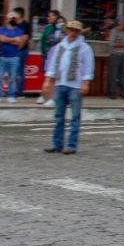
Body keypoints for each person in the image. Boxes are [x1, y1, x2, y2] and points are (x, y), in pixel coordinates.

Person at [42, 21, 95, 154]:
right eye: (71, 30)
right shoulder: (60, 46)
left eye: (76, 30)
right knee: (59, 116)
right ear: (67, 30)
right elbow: (53, 65)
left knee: (75, 117)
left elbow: (88, 67)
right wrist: (48, 81)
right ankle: (57, 143)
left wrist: (86, 83)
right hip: (61, 83)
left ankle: (71, 145)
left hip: (75, 85)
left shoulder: (84, 48)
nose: (73, 33)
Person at [0, 10, 25, 104]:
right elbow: (1, 39)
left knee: (13, 78)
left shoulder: (19, 30)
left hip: (14, 57)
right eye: (11, 18)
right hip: (2, 57)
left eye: (14, 18)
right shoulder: (2, 29)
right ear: (7, 19)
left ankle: (11, 95)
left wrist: (8, 40)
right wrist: (13, 39)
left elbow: (19, 42)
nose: (13, 19)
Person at [37, 10, 64, 106]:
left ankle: (53, 98)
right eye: (59, 22)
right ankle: (43, 96)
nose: (60, 24)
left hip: (60, 58)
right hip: (50, 55)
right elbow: (47, 41)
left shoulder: (65, 33)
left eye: (62, 23)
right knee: (48, 78)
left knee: (55, 79)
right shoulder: (50, 29)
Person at [107, 15, 124, 99]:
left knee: (122, 74)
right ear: (120, 22)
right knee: (113, 74)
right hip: (115, 54)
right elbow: (111, 43)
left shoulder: (123, 32)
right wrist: (122, 44)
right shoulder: (114, 31)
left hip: (122, 54)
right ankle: (112, 92)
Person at [13, 7, 31, 98]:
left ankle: (19, 92)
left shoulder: (25, 25)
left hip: (21, 51)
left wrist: (18, 48)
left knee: (19, 72)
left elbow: (25, 38)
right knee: (13, 72)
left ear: (19, 14)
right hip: (12, 51)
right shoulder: (14, 24)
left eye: (14, 13)